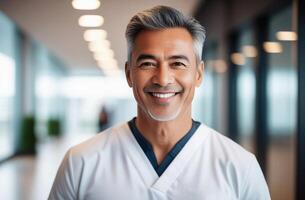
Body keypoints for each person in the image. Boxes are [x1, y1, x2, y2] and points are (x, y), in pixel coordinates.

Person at [49, 5, 271, 200]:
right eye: (147, 63)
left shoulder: (239, 166)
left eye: (178, 63)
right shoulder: (81, 163)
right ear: (129, 74)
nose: (163, 79)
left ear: (199, 74)